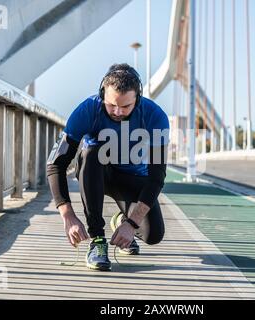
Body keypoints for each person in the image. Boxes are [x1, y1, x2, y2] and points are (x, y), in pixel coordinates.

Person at [46, 63, 169, 271]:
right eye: (111, 105)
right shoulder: (88, 109)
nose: (118, 112)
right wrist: (67, 215)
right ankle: (98, 240)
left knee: (153, 234)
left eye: (126, 106)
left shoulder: (155, 116)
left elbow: (157, 178)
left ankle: (122, 220)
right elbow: (56, 164)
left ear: (137, 99)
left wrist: (131, 223)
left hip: (131, 178)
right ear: (102, 94)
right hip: (95, 173)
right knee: (92, 152)